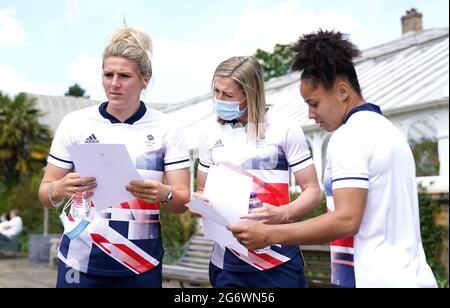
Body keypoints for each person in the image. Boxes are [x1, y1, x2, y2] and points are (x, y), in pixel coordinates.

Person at [228, 30, 438, 288]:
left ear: (341, 91)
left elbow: (346, 219)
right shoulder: (389, 132)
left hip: (374, 279)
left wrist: (270, 234)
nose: (311, 114)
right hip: (415, 277)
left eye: (314, 103)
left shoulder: (348, 137)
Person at [38, 26, 190, 288]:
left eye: (124, 76)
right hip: (79, 261)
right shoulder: (75, 122)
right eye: (108, 74)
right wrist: (59, 188)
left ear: (145, 78)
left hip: (141, 263)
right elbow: (45, 195)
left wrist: (164, 193)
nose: (114, 83)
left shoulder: (168, 127)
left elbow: (182, 201)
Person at [194, 56, 322, 288]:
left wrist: (283, 213)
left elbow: (313, 191)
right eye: (216, 92)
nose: (219, 100)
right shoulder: (208, 133)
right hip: (227, 263)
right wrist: (200, 204)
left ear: (250, 94)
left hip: (278, 261)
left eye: (228, 95)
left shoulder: (285, 128)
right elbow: (202, 191)